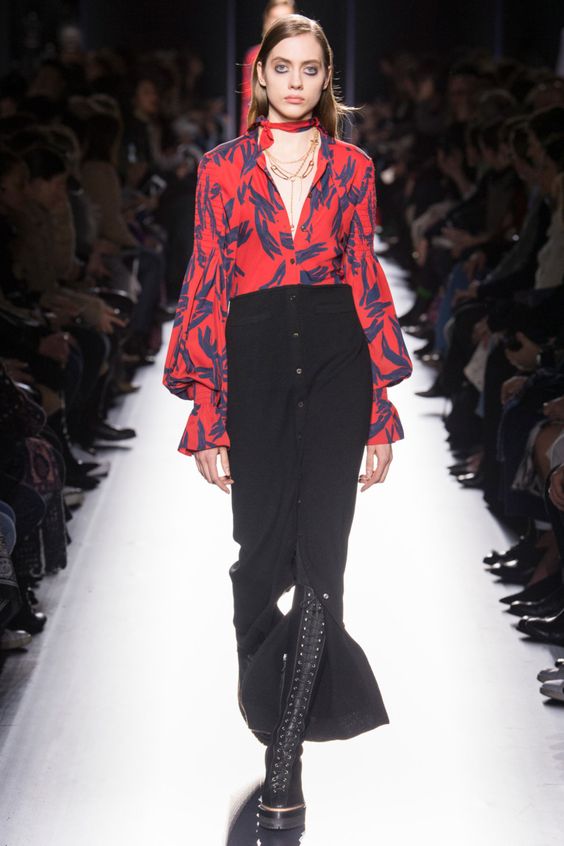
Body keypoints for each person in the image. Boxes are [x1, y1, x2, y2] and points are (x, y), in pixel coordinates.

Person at [163, 14, 413, 832]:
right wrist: (208, 411)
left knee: (321, 565)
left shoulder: (352, 167)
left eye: (310, 69)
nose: (296, 81)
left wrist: (380, 408)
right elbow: (206, 279)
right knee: (259, 560)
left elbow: (364, 275)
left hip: (339, 356)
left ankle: (284, 763)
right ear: (261, 76)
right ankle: (272, 704)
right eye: (284, 67)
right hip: (257, 358)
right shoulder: (222, 168)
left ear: (324, 79)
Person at [239, 0, 296, 136]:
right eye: (275, 19)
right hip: (262, 133)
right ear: (266, 22)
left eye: (285, 19)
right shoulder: (254, 56)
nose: (279, 24)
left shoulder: (305, 55)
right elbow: (249, 103)